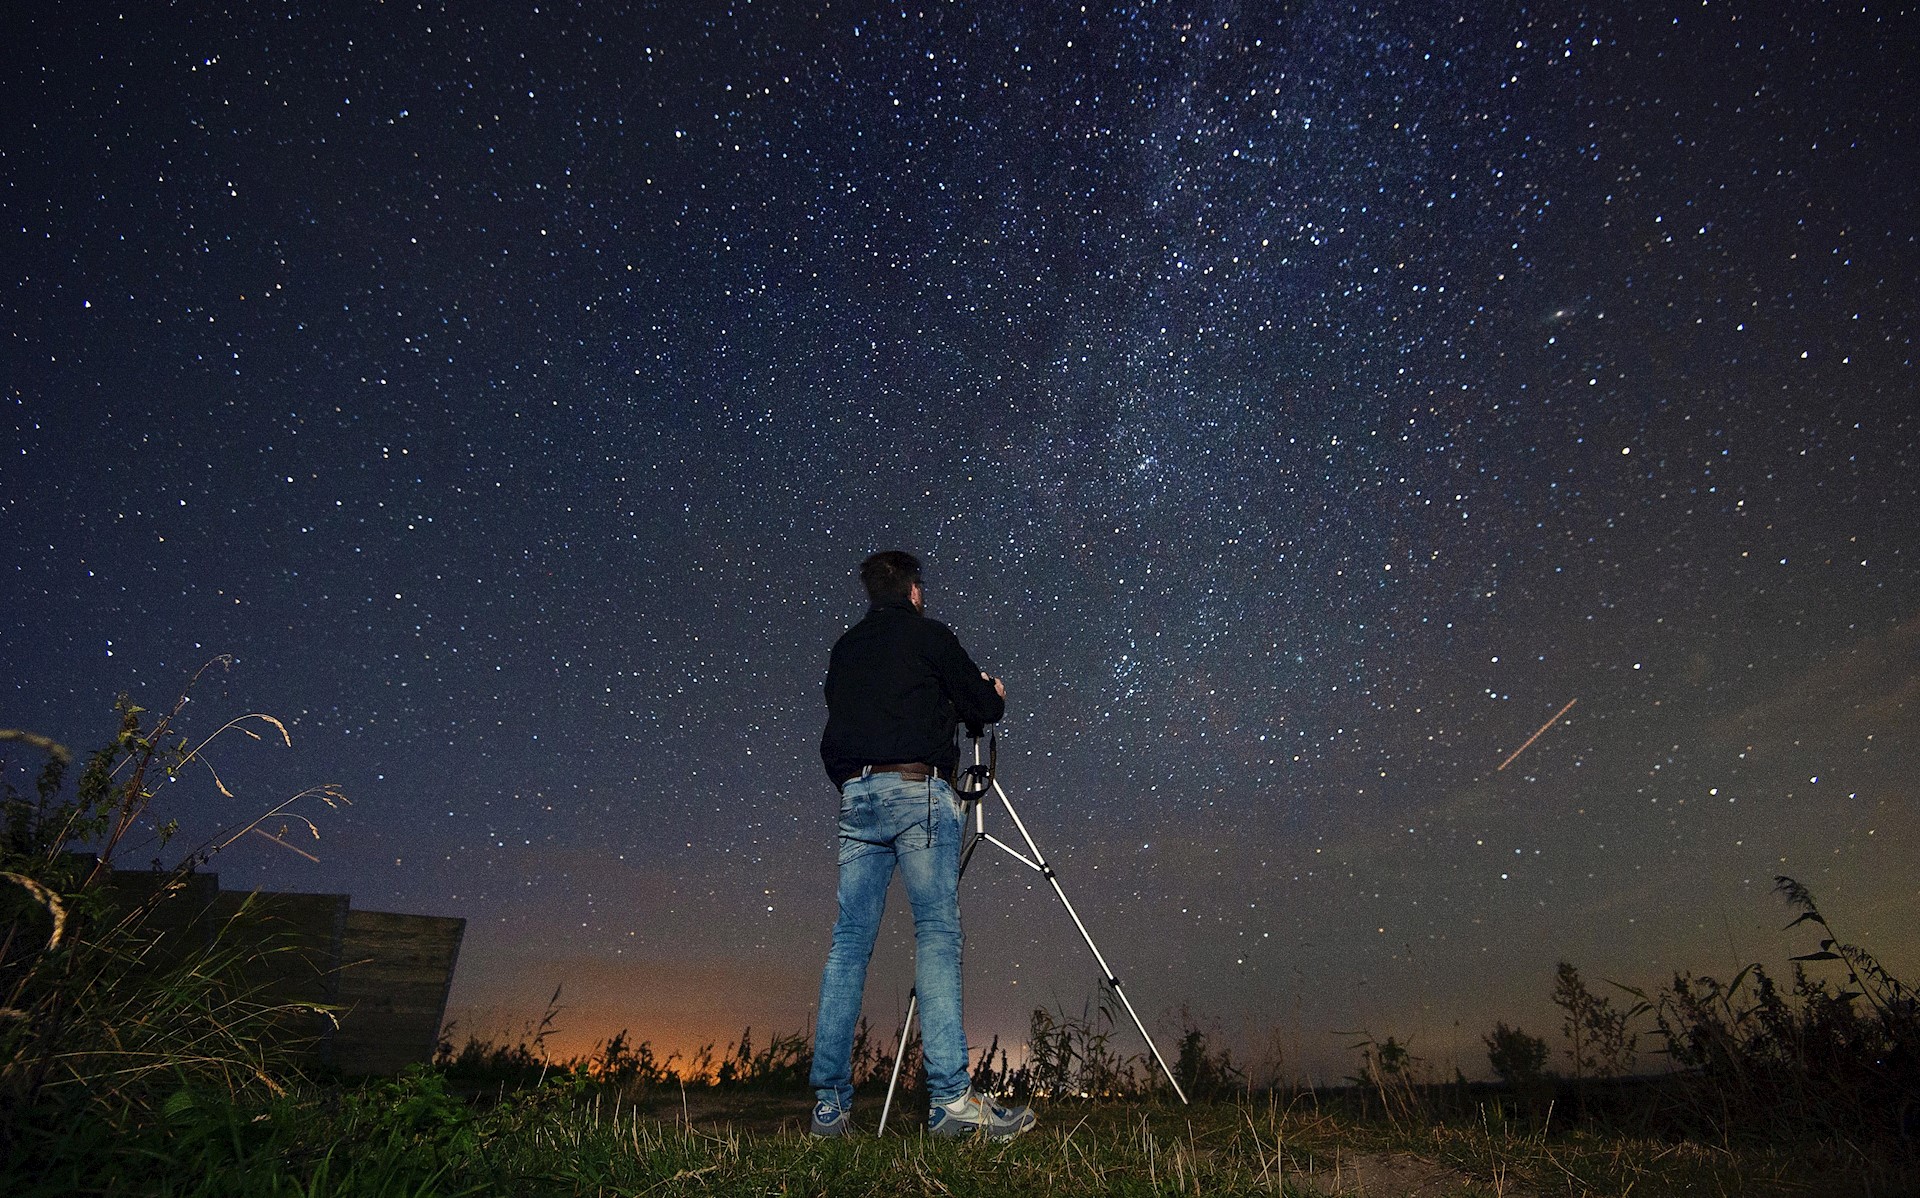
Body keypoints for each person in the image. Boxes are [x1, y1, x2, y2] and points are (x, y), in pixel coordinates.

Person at [807, 550, 1037, 1139]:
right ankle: (951, 1104)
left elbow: (834, 736)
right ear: (913, 591)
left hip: (858, 796)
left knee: (847, 944)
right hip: (919, 793)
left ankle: (830, 1108)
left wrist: (860, 784)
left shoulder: (845, 650)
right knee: (936, 933)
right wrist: (995, 694)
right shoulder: (932, 637)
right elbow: (980, 706)